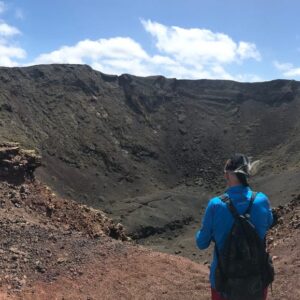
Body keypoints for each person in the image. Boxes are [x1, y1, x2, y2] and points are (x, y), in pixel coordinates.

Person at [195, 154, 273, 300]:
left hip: (224, 283)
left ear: (228, 175)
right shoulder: (262, 200)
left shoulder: (215, 205)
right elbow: (268, 222)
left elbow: (201, 243)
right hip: (256, 280)